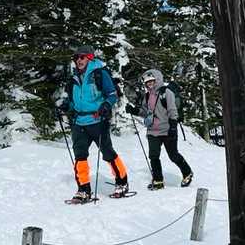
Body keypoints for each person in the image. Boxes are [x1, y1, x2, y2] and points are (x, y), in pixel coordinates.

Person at [57, 48, 129, 203]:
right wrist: (66, 105)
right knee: (80, 156)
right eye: (77, 58)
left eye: (82, 57)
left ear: (89, 58)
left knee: (107, 152)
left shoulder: (99, 73)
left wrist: (106, 105)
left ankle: (122, 182)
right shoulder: (74, 78)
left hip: (98, 120)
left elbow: (112, 94)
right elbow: (72, 100)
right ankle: (83, 189)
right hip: (79, 122)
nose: (79, 60)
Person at [142, 68, 193, 191]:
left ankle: (187, 172)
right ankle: (158, 180)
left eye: (152, 81)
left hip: (167, 129)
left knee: (173, 155)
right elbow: (145, 112)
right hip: (153, 130)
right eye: (147, 82)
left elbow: (172, 110)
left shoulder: (166, 93)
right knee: (153, 156)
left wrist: (173, 127)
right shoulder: (147, 96)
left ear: (157, 80)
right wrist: (133, 110)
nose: (150, 84)